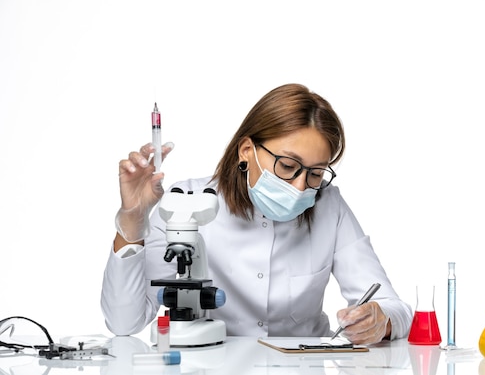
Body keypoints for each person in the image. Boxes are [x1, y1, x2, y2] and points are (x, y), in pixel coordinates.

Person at [101, 83, 412, 345]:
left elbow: (394, 307)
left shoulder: (328, 206)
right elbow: (123, 322)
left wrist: (379, 320)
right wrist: (132, 220)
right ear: (246, 150)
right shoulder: (188, 202)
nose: (300, 186)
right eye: (288, 166)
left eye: (316, 173)